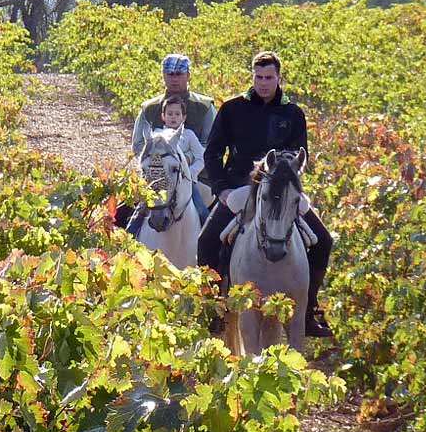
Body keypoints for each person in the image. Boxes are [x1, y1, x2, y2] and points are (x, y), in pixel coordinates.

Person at [196, 51, 334, 337]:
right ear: (253, 77)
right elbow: (212, 153)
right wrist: (221, 189)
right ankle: (212, 308)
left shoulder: (293, 114)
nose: (263, 83)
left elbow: (299, 155)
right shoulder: (233, 109)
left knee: (323, 241)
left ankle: (307, 312)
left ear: (279, 78)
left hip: (281, 192)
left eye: (269, 78)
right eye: (258, 77)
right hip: (240, 189)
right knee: (206, 239)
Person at [126, 94, 208, 234]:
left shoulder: (188, 135)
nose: (173, 117)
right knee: (139, 213)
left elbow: (202, 157)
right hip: (157, 184)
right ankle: (128, 240)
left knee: (202, 211)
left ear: (184, 117)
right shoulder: (156, 136)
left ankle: (205, 246)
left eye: (177, 114)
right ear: (163, 116)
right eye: (170, 114)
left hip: (186, 183)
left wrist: (189, 173)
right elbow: (145, 158)